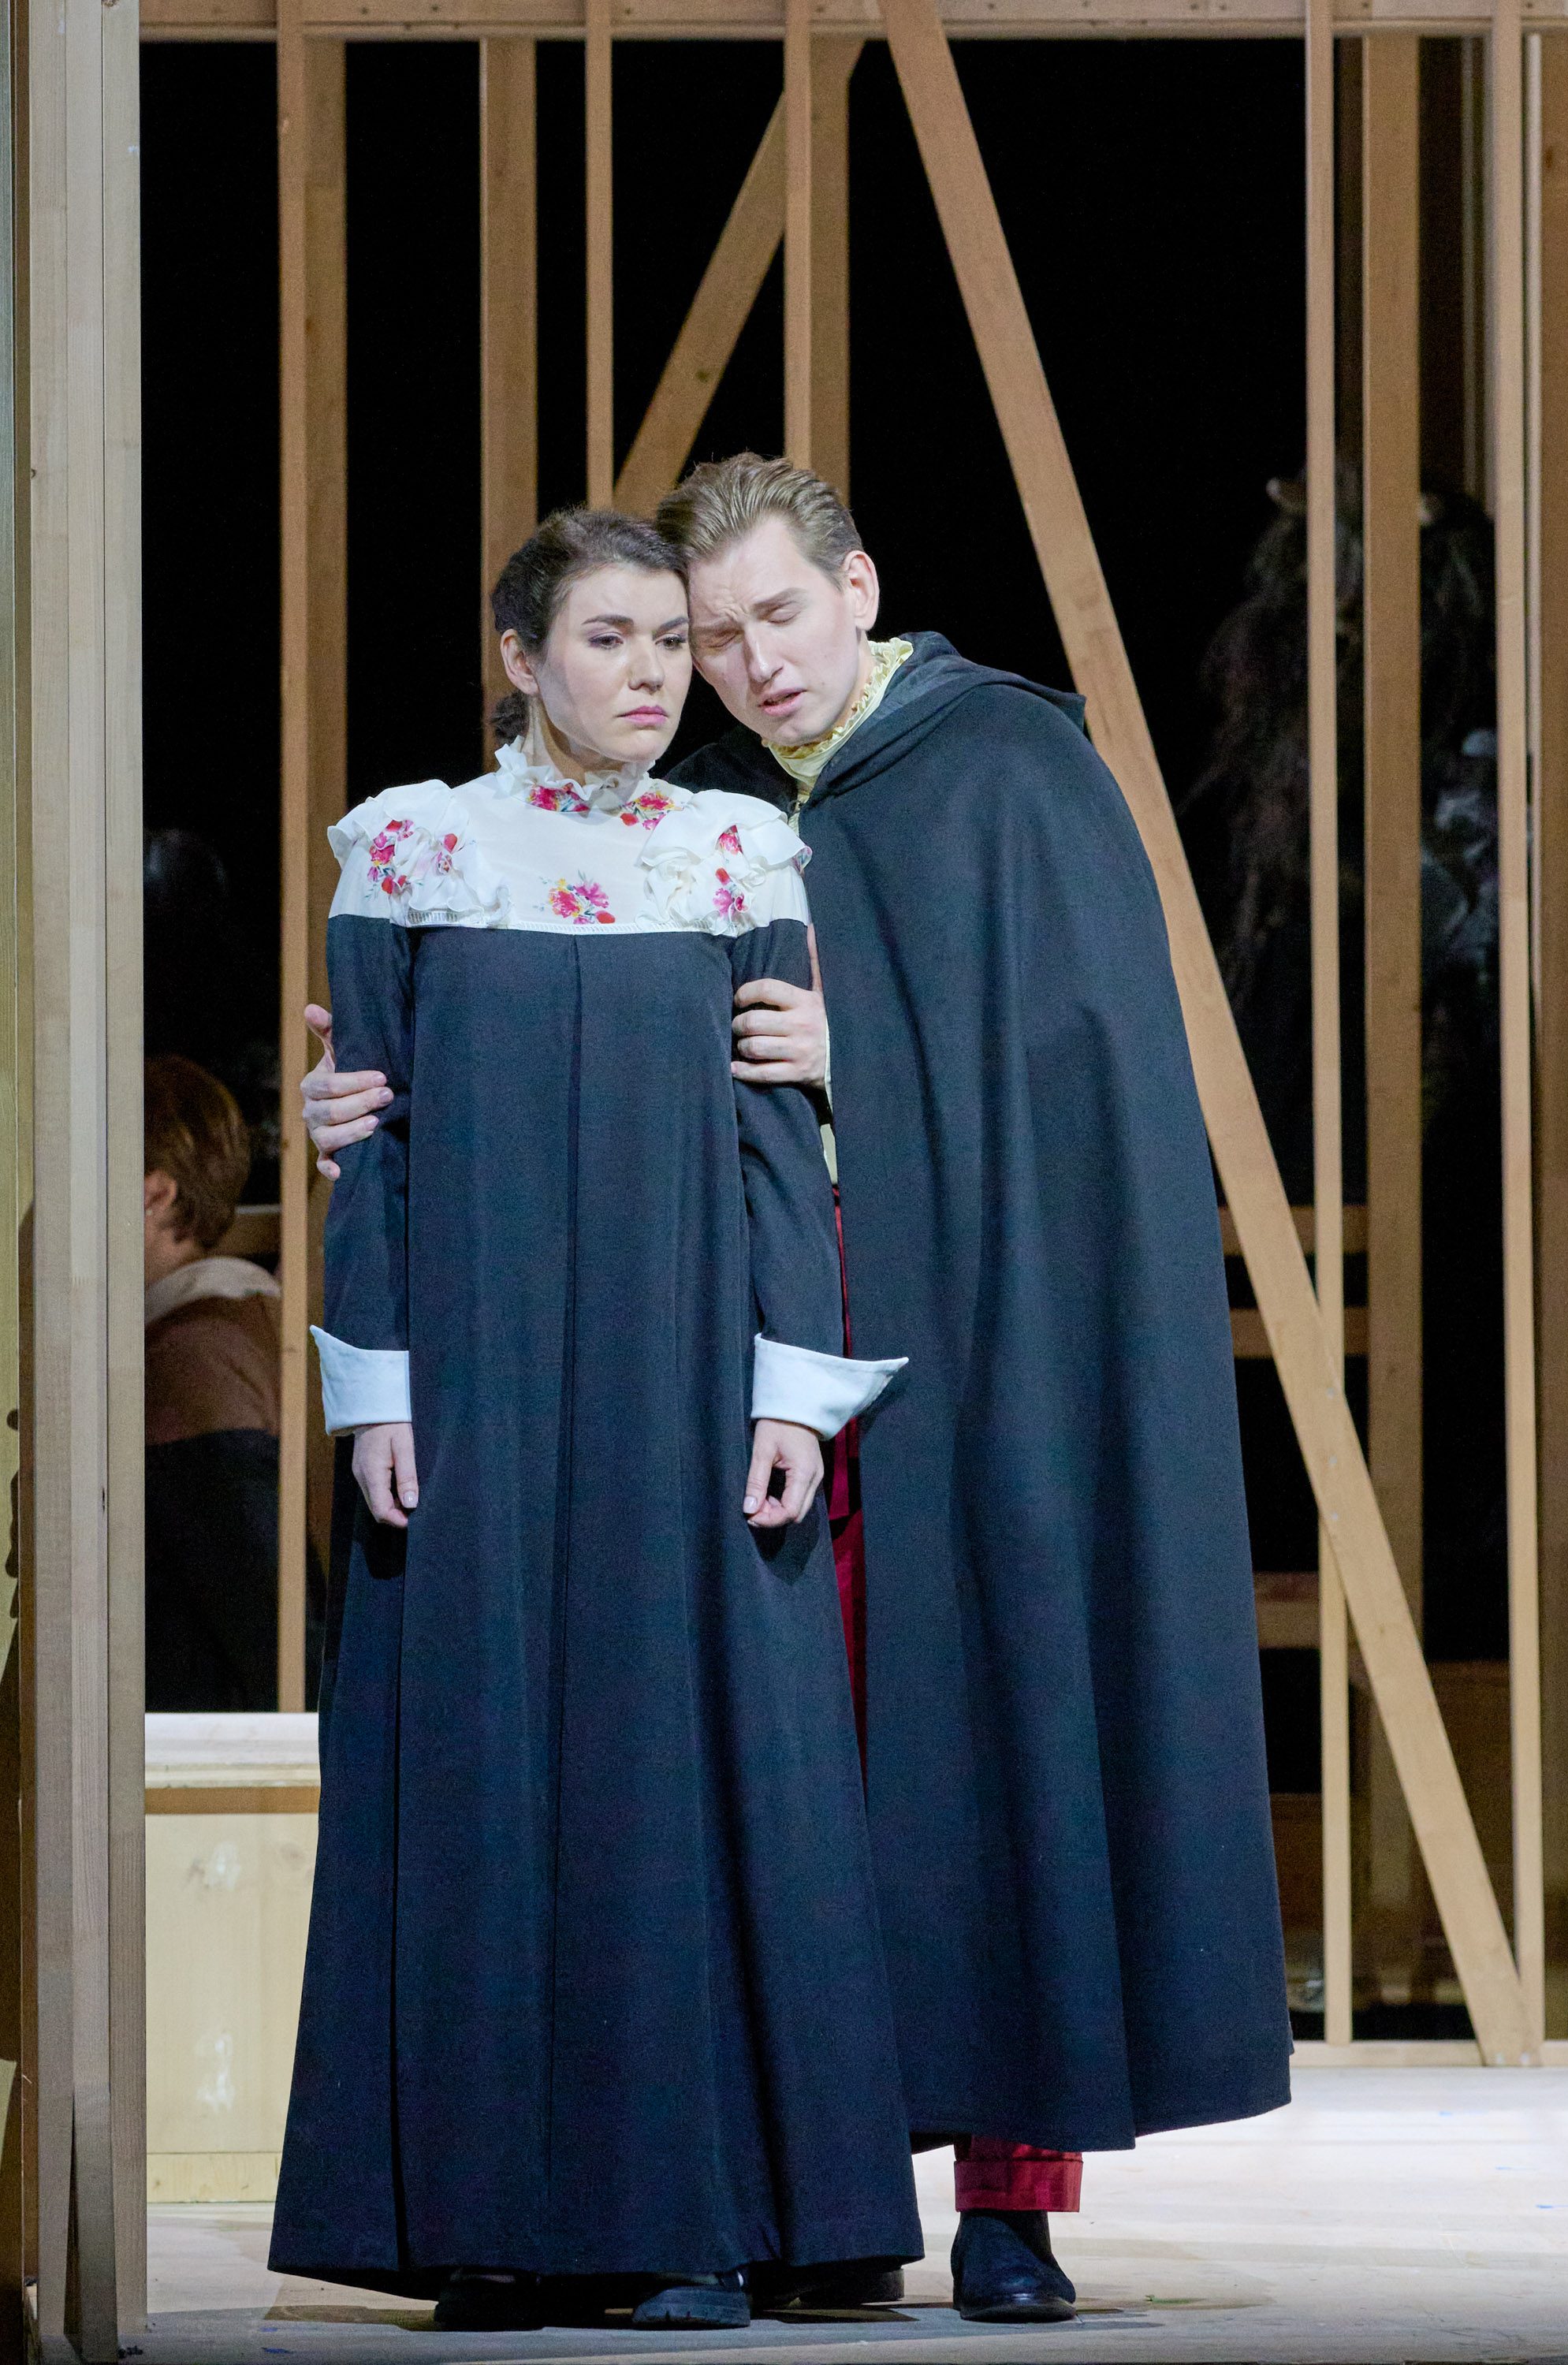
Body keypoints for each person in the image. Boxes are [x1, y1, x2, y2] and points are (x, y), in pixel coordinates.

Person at [302, 460, 1292, 2325]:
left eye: (776, 615)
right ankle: (798, 2184)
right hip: (734, 1344)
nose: (749, 661)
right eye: (711, 631)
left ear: (861, 590)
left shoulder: (1010, 768)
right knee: (780, 1771)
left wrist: (870, 1059)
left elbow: (1090, 1065)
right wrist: (376, 1089)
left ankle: (1010, 2203)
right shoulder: (703, 805)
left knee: (993, 1735)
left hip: (977, 1336)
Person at [270, 508, 922, 2335]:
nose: (651, 675)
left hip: (687, 1379)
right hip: (471, 1389)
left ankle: (695, 2216)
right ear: (522, 659)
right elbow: (371, 1137)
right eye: (610, 639)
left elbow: (780, 1143)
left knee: (685, 1777)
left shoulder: (736, 853)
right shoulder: (408, 849)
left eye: (668, 642)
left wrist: (792, 1386)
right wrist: (374, 1382)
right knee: (479, 1773)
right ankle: (484, 2225)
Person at [144, 1053, 287, 1710]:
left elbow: (263, 1605)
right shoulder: (229, 1328)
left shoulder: (192, 1355)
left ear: (155, 1193)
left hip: (192, 1743)